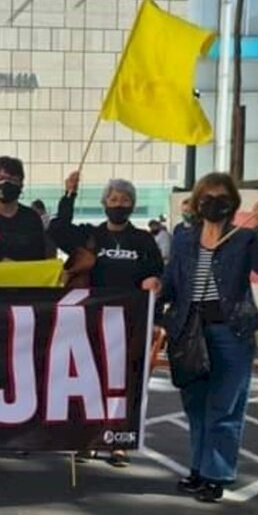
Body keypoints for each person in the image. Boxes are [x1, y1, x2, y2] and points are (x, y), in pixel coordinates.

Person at [160, 173, 258, 503]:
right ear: (198, 202)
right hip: (188, 331)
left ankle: (216, 474)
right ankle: (198, 468)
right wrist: (155, 293)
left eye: (221, 197)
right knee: (196, 405)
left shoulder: (243, 238)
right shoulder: (184, 238)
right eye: (207, 196)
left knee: (224, 407)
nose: (213, 202)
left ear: (232, 203)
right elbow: (171, 281)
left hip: (232, 333)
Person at [49, 171, 164, 467]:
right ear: (104, 203)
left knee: (124, 382)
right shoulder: (91, 235)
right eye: (114, 199)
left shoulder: (143, 241)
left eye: (125, 200)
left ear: (133, 205)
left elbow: (156, 274)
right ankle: (86, 439)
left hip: (129, 322)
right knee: (89, 380)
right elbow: (58, 230)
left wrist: (154, 284)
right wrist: (69, 195)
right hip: (92, 320)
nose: (119, 204)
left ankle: (118, 441)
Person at [0, 156, 46, 261]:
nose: (6, 183)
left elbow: (39, 258)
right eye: (0, 179)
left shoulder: (31, 218)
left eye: (13, 179)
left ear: (21, 185)